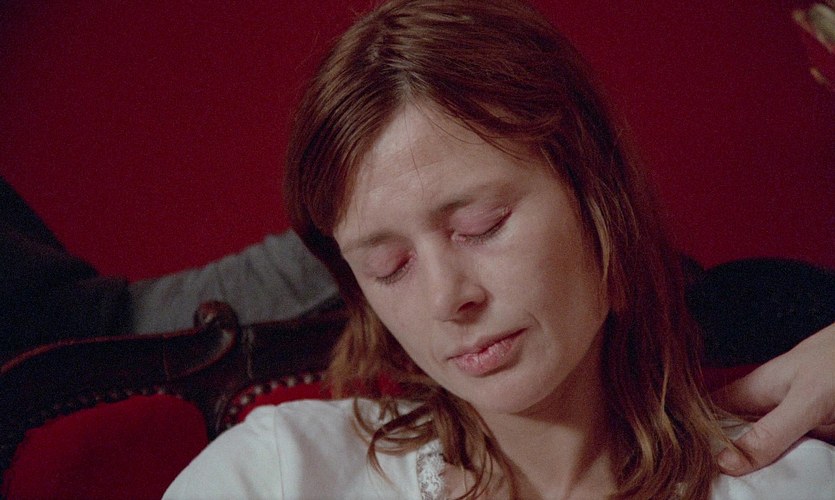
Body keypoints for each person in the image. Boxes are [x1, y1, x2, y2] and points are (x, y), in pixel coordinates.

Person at [164, 1, 835, 498]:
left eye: (480, 226)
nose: (446, 297)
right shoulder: (277, 473)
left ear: (596, 198)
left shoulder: (791, 483)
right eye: (388, 266)